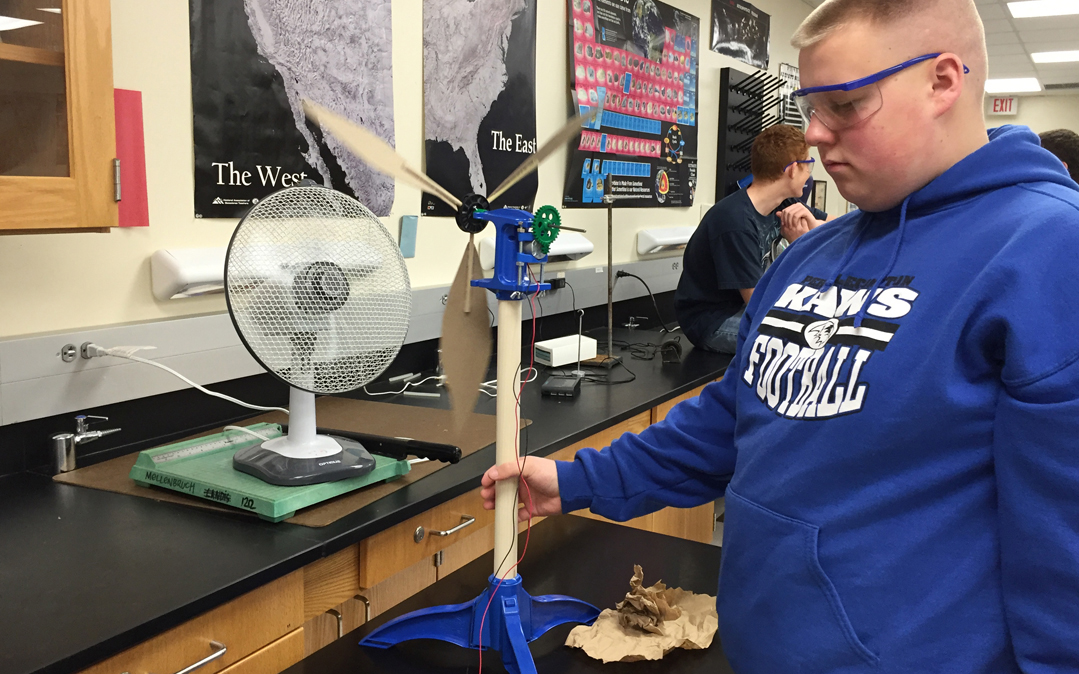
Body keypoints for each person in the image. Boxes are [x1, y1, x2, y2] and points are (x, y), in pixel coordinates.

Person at [482, 0, 1079, 671]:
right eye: (808, 108)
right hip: (761, 646)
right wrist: (575, 479)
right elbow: (735, 414)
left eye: (845, 104)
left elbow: (1062, 538)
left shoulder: (1049, 248)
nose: (815, 135)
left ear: (942, 81)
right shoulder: (808, 255)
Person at [674, 124, 830, 354]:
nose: (809, 173)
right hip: (713, 322)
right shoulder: (735, 222)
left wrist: (816, 226)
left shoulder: (785, 204)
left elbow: (841, 225)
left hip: (744, 309)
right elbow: (760, 304)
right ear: (792, 170)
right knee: (805, 342)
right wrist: (801, 246)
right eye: (808, 164)